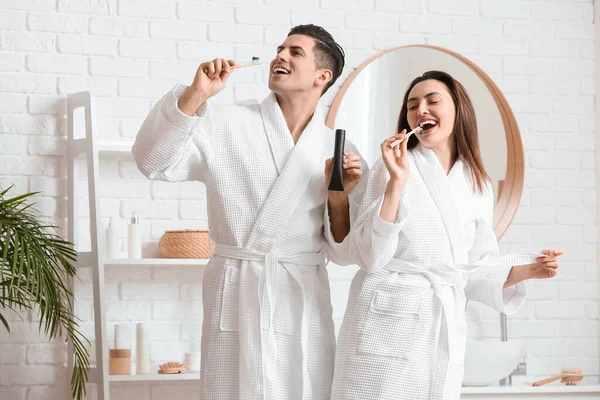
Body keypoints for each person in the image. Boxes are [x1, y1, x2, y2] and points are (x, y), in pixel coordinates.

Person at [132, 24, 366, 400]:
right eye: (279, 49)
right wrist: (196, 96)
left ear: (322, 76)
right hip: (238, 285)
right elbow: (152, 162)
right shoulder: (224, 122)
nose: (280, 56)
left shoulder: (339, 148)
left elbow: (342, 251)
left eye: (295, 52)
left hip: (300, 293)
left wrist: (339, 196)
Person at [331, 70, 563, 400]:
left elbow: (474, 269)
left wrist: (531, 270)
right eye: (412, 105)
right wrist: (397, 182)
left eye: (432, 101)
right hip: (386, 318)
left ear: (458, 109)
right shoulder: (392, 166)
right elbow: (368, 256)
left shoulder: (477, 182)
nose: (420, 110)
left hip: (441, 321)